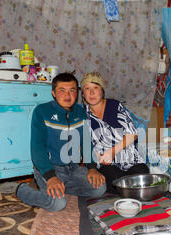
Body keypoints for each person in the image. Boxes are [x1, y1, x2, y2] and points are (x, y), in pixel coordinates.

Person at [16, 72, 106, 211]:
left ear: (77, 93)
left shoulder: (81, 112)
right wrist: (51, 177)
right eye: (62, 91)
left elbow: (87, 142)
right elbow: (37, 147)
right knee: (58, 204)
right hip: (50, 168)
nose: (67, 95)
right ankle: (22, 190)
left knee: (99, 188)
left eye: (72, 90)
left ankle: (63, 188)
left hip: (73, 169)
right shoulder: (42, 112)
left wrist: (92, 168)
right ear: (53, 93)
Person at [81, 72, 149, 194]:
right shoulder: (83, 115)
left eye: (95, 88)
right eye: (87, 88)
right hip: (107, 164)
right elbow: (85, 142)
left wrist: (112, 151)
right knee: (114, 181)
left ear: (102, 91)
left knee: (141, 176)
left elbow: (133, 134)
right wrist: (97, 156)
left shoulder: (115, 106)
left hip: (129, 159)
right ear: (83, 94)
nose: (91, 93)